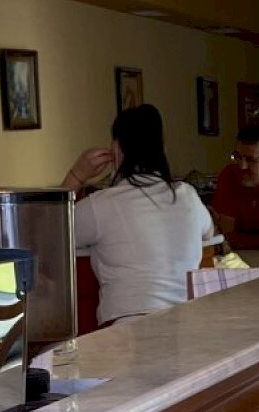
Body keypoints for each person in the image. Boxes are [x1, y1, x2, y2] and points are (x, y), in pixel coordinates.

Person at [63, 103, 212, 323]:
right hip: (186, 323)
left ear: (115, 149)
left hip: (127, 327)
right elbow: (209, 233)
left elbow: (48, 237)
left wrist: (76, 175)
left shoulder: (100, 205)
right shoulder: (187, 194)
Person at [212, 124, 259, 247]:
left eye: (251, 160)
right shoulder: (228, 175)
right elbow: (227, 235)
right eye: (237, 157)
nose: (242, 166)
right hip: (244, 251)